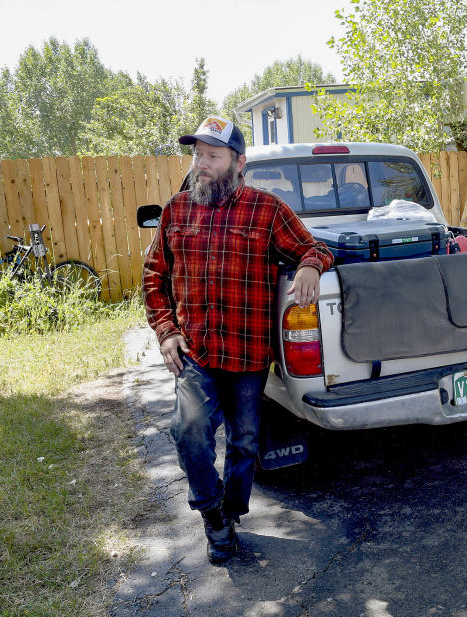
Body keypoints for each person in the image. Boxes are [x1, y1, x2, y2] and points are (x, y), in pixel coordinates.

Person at [142, 116, 333, 565]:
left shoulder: (267, 209)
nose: (201, 164)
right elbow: (154, 275)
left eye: (212, 155)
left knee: (246, 443)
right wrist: (166, 332)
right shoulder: (176, 210)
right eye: (197, 155)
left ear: (237, 162)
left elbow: (315, 248)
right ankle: (212, 517)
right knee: (189, 432)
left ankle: (232, 512)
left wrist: (309, 266)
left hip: (248, 355)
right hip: (196, 350)